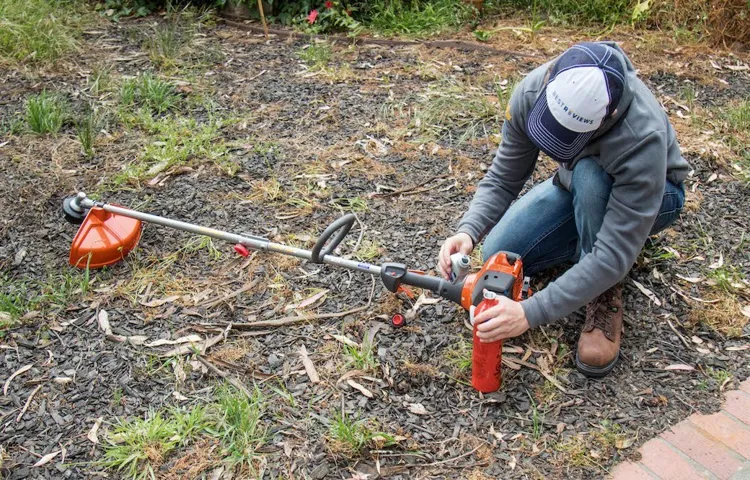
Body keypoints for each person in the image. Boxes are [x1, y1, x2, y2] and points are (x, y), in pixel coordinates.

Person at [438, 42, 690, 377]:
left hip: (657, 196)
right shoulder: (532, 89)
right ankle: (591, 235)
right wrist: (468, 230)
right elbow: (503, 178)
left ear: (607, 117)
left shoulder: (641, 137)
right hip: (576, 184)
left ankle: (602, 291)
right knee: (502, 251)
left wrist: (530, 312)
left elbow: (612, 256)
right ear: (550, 79)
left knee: (591, 181)